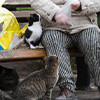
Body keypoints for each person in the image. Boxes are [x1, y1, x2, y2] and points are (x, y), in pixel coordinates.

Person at [30, 0, 100, 99]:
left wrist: (81, 4)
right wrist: (55, 13)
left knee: (93, 41)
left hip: (85, 25)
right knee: (51, 39)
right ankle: (67, 90)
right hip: (54, 27)